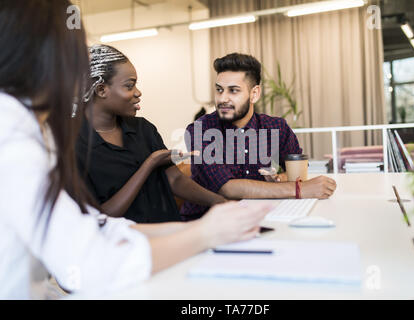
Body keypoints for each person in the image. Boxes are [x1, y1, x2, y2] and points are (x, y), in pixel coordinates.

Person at [0, 0, 271, 299]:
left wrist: (211, 221)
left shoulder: (29, 131)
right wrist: (205, 233)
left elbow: (96, 225)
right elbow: (87, 263)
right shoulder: (14, 140)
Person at [76, 44, 229, 223]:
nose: (138, 93)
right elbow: (102, 216)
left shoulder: (143, 129)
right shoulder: (76, 146)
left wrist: (221, 202)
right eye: (129, 86)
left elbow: (175, 180)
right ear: (101, 90)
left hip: (172, 234)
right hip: (129, 246)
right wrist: (149, 164)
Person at [181, 53, 336, 220]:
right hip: (206, 224)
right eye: (219, 90)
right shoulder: (200, 130)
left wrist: (279, 178)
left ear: (254, 94)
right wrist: (298, 189)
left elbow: (296, 173)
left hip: (260, 216)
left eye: (233, 91)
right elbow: (227, 188)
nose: (222, 98)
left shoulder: (276, 127)